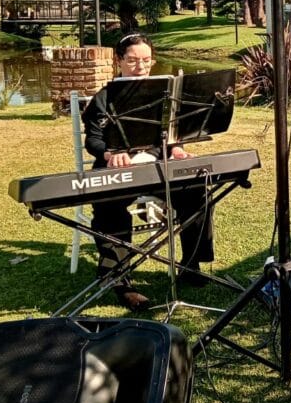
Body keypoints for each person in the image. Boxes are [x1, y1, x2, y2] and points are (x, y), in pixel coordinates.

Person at [82, 33, 215, 311]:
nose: (140, 67)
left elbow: (173, 131)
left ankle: (190, 265)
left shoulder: (165, 96)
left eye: (146, 60)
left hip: (157, 167)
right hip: (117, 169)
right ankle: (120, 281)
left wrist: (176, 149)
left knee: (197, 190)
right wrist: (110, 153)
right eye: (132, 60)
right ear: (119, 61)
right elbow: (93, 140)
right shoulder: (103, 98)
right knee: (109, 205)